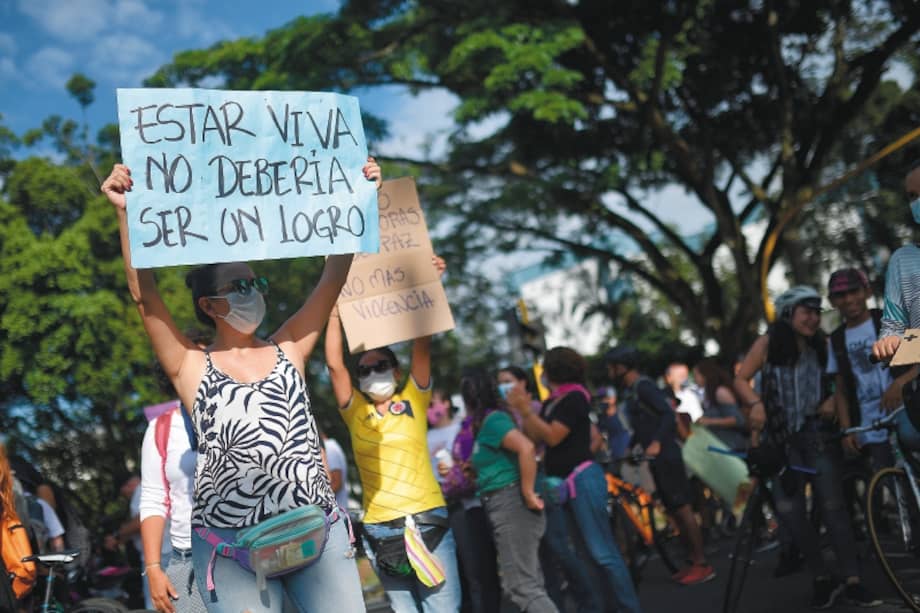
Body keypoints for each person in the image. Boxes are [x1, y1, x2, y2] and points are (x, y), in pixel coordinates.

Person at [100, 160, 377, 613]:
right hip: (232, 551)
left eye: (255, 282)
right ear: (209, 305)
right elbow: (145, 297)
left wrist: (358, 198)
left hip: (317, 535)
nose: (253, 292)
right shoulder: (189, 365)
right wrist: (125, 214)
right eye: (239, 285)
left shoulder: (290, 345)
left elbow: (332, 277)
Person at [325, 255, 462, 613]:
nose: (372, 373)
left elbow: (422, 343)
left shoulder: (414, 399)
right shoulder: (357, 412)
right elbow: (334, 365)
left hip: (427, 523)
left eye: (380, 366)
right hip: (381, 531)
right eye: (364, 370)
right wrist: (334, 309)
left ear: (397, 371)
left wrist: (430, 283)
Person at [734, 286, 881, 608]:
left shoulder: (822, 344)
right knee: (791, 514)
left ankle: (853, 580)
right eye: (806, 312)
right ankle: (821, 577)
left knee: (834, 507)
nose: (813, 319)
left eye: (817, 312)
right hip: (780, 440)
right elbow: (741, 379)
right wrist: (755, 403)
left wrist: (830, 400)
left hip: (817, 436)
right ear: (788, 314)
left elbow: (838, 384)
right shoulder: (767, 343)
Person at [509, 347, 641, 613]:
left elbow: (553, 436)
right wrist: (524, 413)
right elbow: (534, 437)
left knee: (603, 553)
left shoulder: (575, 398)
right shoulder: (552, 402)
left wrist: (526, 411)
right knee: (586, 555)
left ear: (553, 370)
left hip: (582, 480)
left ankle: (629, 607)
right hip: (562, 484)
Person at [604, 345, 713, 586]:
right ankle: (691, 561)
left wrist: (655, 443)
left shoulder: (644, 386)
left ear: (622, 366)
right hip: (656, 457)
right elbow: (644, 424)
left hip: (667, 455)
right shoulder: (633, 391)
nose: (610, 372)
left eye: (612, 367)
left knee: (682, 508)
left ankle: (702, 563)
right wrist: (632, 447)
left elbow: (667, 415)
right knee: (673, 509)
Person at [459, 368, 556, 613]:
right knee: (529, 584)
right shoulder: (488, 423)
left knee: (521, 587)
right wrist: (475, 469)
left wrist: (528, 492)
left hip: (511, 504)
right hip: (501, 504)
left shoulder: (494, 420)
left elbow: (526, 448)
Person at [827, 268, 904, 472]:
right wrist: (847, 430)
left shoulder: (889, 320)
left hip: (907, 413)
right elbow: (841, 390)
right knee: (887, 479)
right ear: (832, 301)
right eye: (841, 295)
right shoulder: (836, 340)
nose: (849, 299)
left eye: (854, 291)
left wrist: (900, 383)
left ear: (867, 292)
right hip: (870, 426)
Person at [140, 398, 205, 613]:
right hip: (188, 559)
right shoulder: (162, 426)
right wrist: (153, 568)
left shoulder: (242, 406)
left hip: (247, 554)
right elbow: (153, 498)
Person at [692, 359, 748, 452]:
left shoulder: (720, 392)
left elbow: (738, 420)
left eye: (696, 375)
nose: (694, 379)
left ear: (705, 375)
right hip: (721, 446)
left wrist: (708, 421)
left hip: (732, 447)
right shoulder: (709, 393)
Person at [321, 430, 351, 513]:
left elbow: (336, 482)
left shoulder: (328, 447)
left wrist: (315, 500)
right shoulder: (330, 446)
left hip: (335, 514)